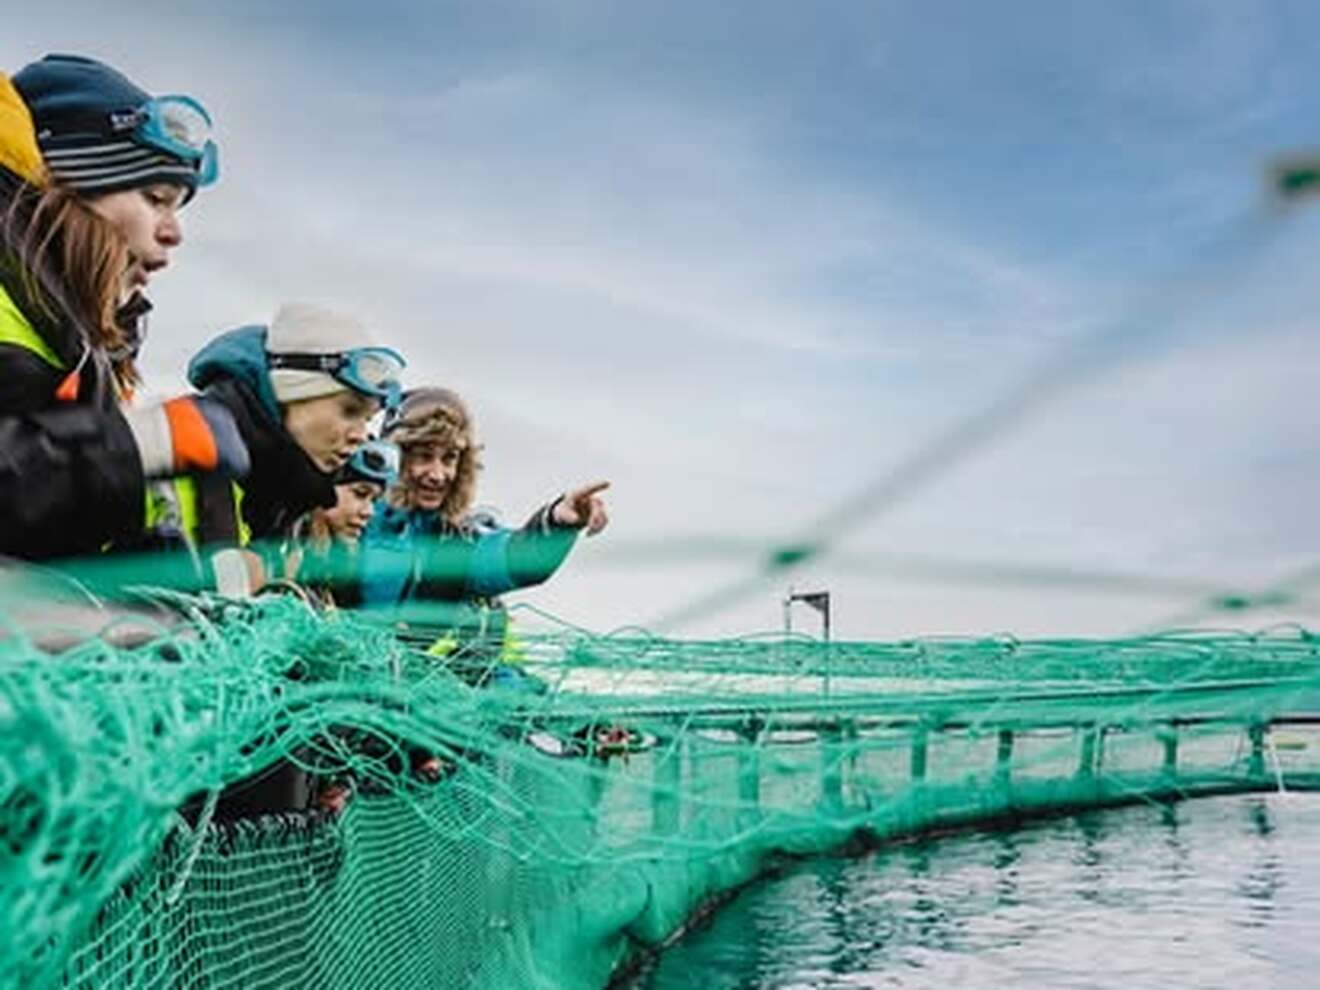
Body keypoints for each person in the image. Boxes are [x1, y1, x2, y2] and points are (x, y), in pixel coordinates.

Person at [0, 54, 244, 562]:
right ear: (68, 186)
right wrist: (139, 444)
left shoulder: (77, 348)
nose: (174, 233)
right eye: (155, 198)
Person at [360, 387, 609, 685]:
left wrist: (558, 521)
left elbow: (517, 560)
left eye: (449, 459)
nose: (438, 475)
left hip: (404, 694)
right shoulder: (351, 521)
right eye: (424, 457)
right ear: (394, 457)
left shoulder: (457, 542)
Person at [158, 302, 406, 595]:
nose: (361, 436)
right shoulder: (178, 452)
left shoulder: (283, 495)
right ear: (290, 393)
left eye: (368, 419)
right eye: (349, 411)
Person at [287, 439, 400, 605]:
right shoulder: (282, 550)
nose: (369, 512)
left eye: (374, 500)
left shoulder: (336, 567)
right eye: (360, 494)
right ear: (322, 489)